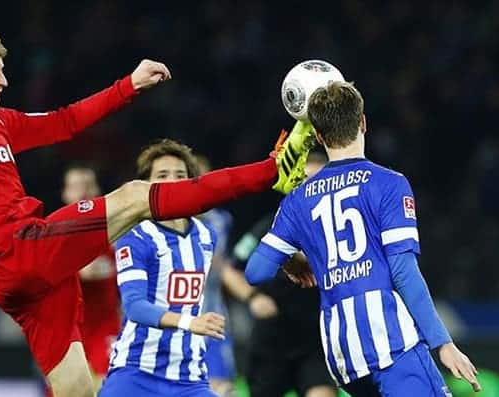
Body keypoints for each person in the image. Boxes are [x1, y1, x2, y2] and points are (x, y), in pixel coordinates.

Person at [0, 30, 311, 397]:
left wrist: (127, 86)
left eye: (3, 70)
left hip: (36, 281)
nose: (3, 80)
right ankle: (273, 171)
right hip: (18, 249)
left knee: (76, 391)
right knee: (138, 195)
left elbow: (65, 121)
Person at [245, 81, 481, 396]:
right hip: (390, 345)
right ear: (363, 123)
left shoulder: (298, 200)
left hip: (343, 356)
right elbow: (403, 271)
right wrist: (443, 343)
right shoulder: (388, 183)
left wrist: (291, 260)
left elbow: (255, 271)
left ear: (318, 135)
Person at [98, 139, 224, 397]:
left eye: (180, 175)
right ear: (147, 187)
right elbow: (134, 306)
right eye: (162, 175)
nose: (172, 182)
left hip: (189, 377)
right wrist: (190, 323)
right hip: (136, 371)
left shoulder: (206, 236)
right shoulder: (136, 236)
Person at [229, 151, 337, 397]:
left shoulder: (339, 229)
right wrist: (253, 298)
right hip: (272, 339)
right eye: (306, 181)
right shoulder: (272, 226)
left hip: (315, 340)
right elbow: (231, 269)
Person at [61, 165, 120, 390]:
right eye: (76, 187)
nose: (83, 193)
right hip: (67, 334)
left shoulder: (116, 233)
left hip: (105, 329)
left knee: (109, 386)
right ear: (65, 193)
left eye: (88, 186)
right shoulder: (51, 238)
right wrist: (73, 272)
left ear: (97, 193)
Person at [194, 155, 237, 397]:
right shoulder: (155, 225)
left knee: (223, 390)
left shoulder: (221, 221)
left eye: (204, 179)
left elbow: (218, 266)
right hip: (173, 324)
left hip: (214, 319)